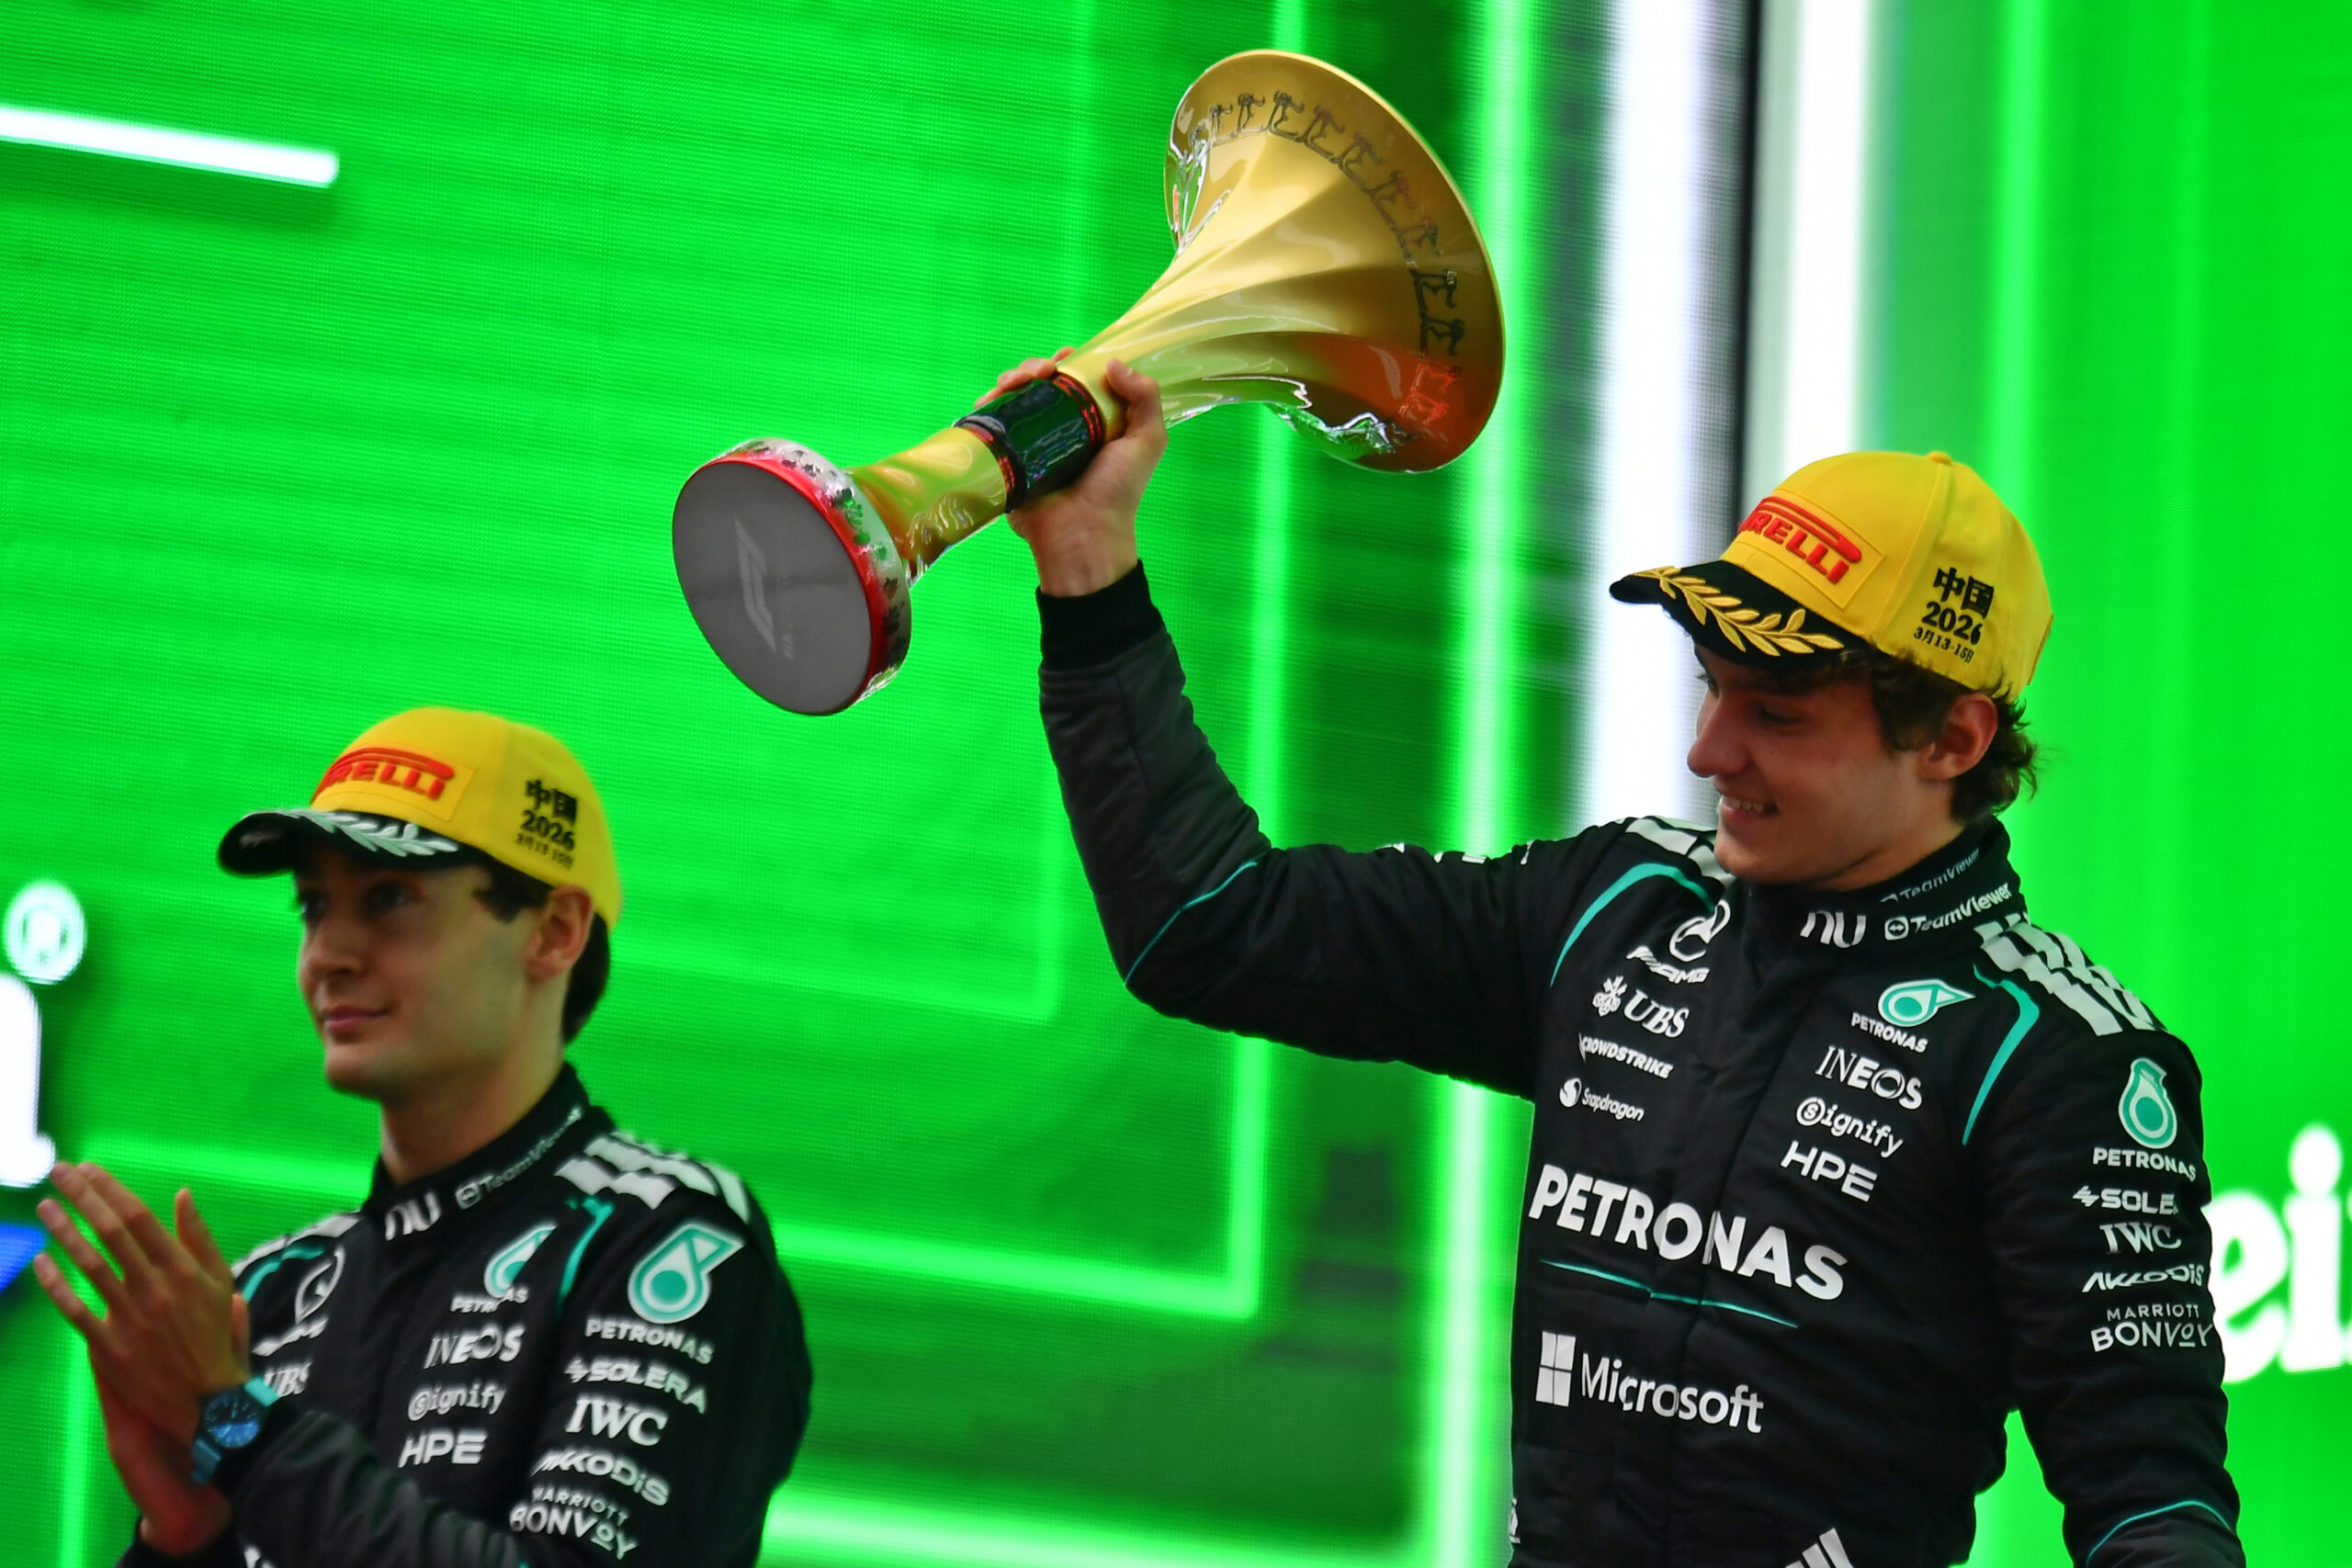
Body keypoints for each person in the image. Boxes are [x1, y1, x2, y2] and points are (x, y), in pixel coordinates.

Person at [994, 352, 2240, 1567]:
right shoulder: (1614, 905)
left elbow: (2150, 1503)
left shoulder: (2056, 1058)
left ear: (1954, 738)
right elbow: (1211, 925)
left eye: (1779, 714)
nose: (1710, 752)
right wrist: (1089, 572)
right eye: (1714, 688)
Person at [33, 707, 810, 1568]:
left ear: (554, 932)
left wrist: (240, 1427)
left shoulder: (667, 1239)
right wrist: (185, 1540)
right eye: (315, 905)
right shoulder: (273, 1291)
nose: (328, 952)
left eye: (389, 899)